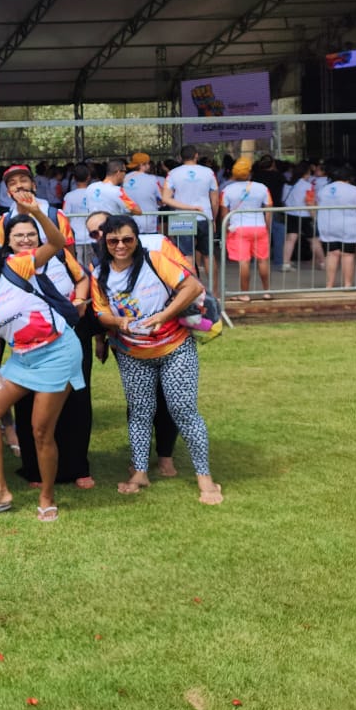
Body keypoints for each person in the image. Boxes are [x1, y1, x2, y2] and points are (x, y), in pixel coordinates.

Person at [0, 186, 77, 522]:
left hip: (56, 351)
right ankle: (0, 491)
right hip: (22, 358)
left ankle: (47, 496)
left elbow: (56, 244)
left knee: (41, 431)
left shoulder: (18, 265)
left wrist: (36, 212)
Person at [90, 215, 223, 505]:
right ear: (105, 242)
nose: (120, 245)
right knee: (139, 412)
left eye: (127, 239)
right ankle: (139, 472)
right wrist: (118, 322)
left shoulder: (154, 260)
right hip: (132, 353)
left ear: (136, 238)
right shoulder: (99, 271)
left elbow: (192, 287)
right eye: (113, 240)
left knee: (184, 410)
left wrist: (164, 315)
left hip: (174, 347)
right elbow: (100, 314)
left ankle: (205, 477)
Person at [0, 213, 95, 491]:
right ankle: (35, 470)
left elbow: (82, 278)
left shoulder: (60, 256)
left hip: (68, 334)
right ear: (8, 240)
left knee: (76, 402)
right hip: (28, 341)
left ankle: (78, 466)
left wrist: (78, 298)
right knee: (29, 403)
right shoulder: (6, 268)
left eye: (30, 234)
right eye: (18, 235)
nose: (25, 239)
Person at [219, 158, 273, 301]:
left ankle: (245, 294)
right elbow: (269, 209)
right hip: (259, 227)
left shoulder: (227, 190)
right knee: (263, 260)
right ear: (249, 173)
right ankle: (267, 291)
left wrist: (225, 230)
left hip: (239, 228)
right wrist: (267, 226)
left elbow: (224, 213)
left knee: (244, 261)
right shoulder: (262, 188)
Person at [162, 146, 220, 274]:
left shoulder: (172, 173)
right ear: (196, 156)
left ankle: (192, 291)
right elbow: (215, 201)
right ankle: (214, 292)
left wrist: (188, 208)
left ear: (180, 158)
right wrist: (214, 219)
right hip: (205, 216)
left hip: (181, 218)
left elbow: (165, 198)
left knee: (186, 255)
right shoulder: (209, 172)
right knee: (208, 255)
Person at [314, 164, 356, 290]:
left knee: (332, 254)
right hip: (348, 226)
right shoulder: (354, 190)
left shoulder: (323, 190)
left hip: (328, 225)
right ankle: (347, 285)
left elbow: (315, 203)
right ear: (349, 177)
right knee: (348, 255)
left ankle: (329, 285)